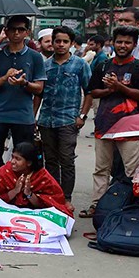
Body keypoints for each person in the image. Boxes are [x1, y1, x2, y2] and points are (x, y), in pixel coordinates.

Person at [80, 26, 139, 218]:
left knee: (132, 170)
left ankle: (132, 207)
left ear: (134, 45)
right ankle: (97, 206)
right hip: (104, 124)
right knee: (101, 169)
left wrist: (119, 86)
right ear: (113, 43)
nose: (122, 45)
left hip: (130, 126)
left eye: (127, 42)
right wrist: (108, 90)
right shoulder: (103, 65)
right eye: (119, 41)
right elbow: (92, 91)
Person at [34, 26, 92, 210]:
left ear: (71, 44)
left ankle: (66, 198)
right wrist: (33, 117)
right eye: (57, 41)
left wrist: (82, 116)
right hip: (46, 119)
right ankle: (53, 195)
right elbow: (39, 94)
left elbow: (89, 92)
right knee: (49, 160)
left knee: (66, 160)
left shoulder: (80, 64)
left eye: (65, 41)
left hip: (68, 120)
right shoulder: (45, 65)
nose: (60, 45)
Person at [0, 15, 46, 170]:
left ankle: (21, 191)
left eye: (21, 29)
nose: (16, 33)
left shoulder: (35, 57)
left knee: (24, 160)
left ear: (27, 32)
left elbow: (39, 88)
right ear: (6, 31)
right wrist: (4, 77)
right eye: (12, 29)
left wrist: (24, 83)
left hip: (23, 116)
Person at [0, 141, 72, 216]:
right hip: (7, 212)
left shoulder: (42, 176)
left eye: (18, 159)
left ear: (29, 163)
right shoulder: (4, 172)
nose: (12, 161)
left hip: (34, 215)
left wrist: (28, 193)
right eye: (12, 157)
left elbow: (46, 204)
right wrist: (15, 191)